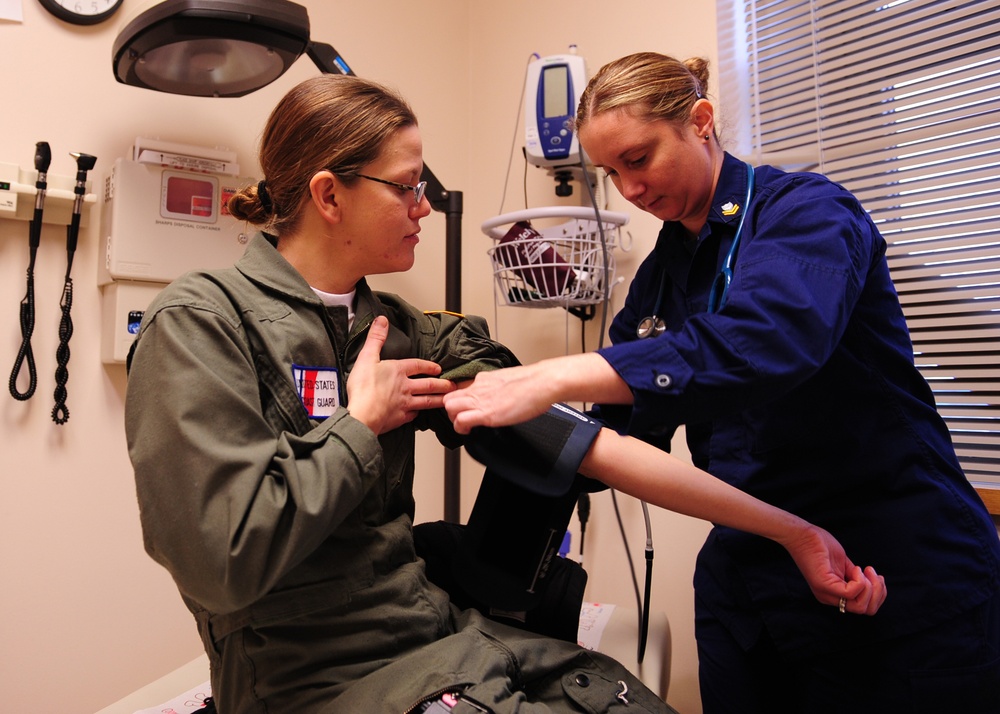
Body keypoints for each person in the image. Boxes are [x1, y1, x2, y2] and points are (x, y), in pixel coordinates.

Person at [124, 74, 879, 713]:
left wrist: (791, 531)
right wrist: (360, 425)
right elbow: (218, 563)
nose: (425, 208)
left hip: (432, 634)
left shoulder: (397, 329)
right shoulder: (200, 322)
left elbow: (590, 447)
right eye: (408, 188)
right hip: (310, 675)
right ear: (329, 194)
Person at [444, 52, 1000, 713]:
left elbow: (766, 343)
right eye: (612, 172)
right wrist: (475, 410)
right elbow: (612, 443)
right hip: (752, 578)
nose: (630, 189)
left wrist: (554, 375)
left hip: (889, 560)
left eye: (639, 158)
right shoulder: (659, 280)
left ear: (700, 121)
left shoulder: (807, 214)